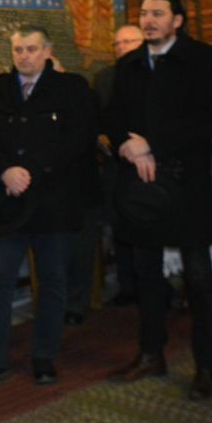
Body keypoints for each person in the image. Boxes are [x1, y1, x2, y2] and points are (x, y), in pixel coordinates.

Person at [0, 25, 96, 387]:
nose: (24, 56)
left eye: (32, 49)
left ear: (47, 51)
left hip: (53, 202)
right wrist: (4, 170)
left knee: (52, 282)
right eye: (18, 50)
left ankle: (44, 356)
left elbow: (77, 139)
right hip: (5, 202)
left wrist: (30, 170)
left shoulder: (72, 89)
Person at [106, 0, 212, 401]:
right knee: (147, 276)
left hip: (187, 184)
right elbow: (113, 115)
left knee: (199, 280)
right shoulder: (129, 64)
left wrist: (151, 145)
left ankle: (206, 368)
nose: (148, 20)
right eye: (144, 13)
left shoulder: (205, 60)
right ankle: (150, 354)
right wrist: (126, 144)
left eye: (157, 13)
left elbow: (206, 121)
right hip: (142, 187)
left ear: (177, 20)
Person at [95, 25, 145, 308]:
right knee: (120, 224)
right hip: (116, 165)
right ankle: (128, 286)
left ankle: (157, 284)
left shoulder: (155, 74)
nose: (122, 47)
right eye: (117, 44)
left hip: (150, 163)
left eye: (128, 42)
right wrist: (100, 136)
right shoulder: (105, 78)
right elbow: (98, 115)